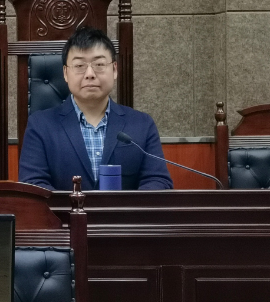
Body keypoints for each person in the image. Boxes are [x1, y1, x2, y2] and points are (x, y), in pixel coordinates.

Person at [18, 26, 173, 191]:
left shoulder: (142, 124)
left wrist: (125, 206)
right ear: (65, 73)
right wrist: (74, 206)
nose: (90, 74)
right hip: (64, 209)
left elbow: (158, 181)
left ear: (114, 69)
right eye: (79, 65)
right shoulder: (40, 125)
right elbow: (33, 184)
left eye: (99, 64)